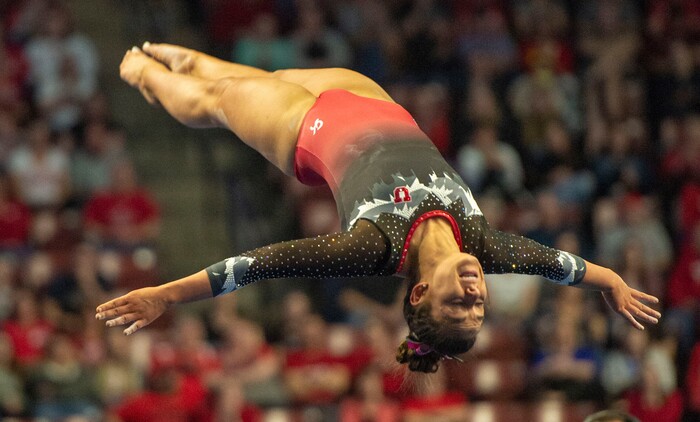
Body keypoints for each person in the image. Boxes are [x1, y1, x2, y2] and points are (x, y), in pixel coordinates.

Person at [95, 43, 661, 374]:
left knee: (214, 102)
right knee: (258, 77)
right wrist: (610, 280)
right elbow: (562, 266)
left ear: (419, 293)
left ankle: (142, 72)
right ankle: (185, 55)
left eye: (457, 306)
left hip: (303, 131)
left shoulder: (376, 248)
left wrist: (166, 294)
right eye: (479, 307)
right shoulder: (484, 246)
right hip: (368, 97)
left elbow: (260, 264)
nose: (475, 294)